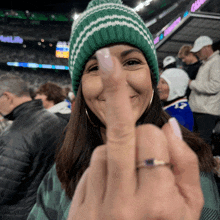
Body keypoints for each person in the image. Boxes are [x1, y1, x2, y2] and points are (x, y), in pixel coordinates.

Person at [28, 0, 220, 219]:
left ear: (152, 77)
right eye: (95, 67)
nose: (115, 80)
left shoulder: (191, 169)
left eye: (131, 62)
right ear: (80, 88)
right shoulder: (61, 170)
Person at [0, 75, 67, 219]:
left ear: (7, 97)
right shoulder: (52, 119)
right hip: (45, 206)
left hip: (19, 212)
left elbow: (3, 189)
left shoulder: (17, 133)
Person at [189, 36, 220, 145]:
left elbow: (215, 86)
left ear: (207, 47)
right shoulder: (206, 63)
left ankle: (204, 162)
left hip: (207, 112)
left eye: (198, 50)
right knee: (198, 143)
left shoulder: (216, 62)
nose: (197, 53)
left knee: (202, 144)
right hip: (201, 110)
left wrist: (191, 83)